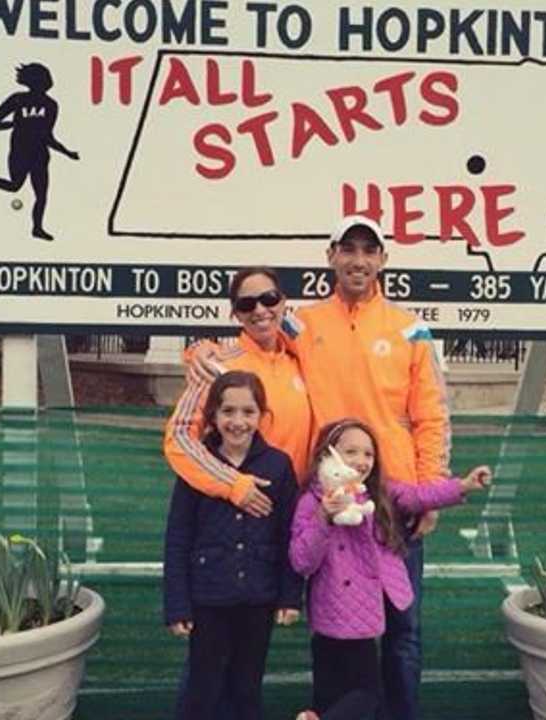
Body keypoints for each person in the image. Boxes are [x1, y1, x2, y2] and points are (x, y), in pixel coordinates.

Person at [190, 215, 451, 720]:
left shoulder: (410, 328)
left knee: (403, 632)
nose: (358, 260)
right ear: (330, 255)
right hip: (328, 504)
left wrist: (431, 488)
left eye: (368, 250)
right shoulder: (301, 323)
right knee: (331, 629)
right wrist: (199, 350)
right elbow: (249, 338)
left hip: (393, 503)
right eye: (347, 249)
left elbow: (431, 416)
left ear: (383, 259)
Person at [289, 419, 491, 720]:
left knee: (349, 700)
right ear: (326, 456)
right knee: (362, 697)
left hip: (364, 616)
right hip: (331, 614)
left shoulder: (378, 494)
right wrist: (324, 518)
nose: (360, 461)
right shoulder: (312, 502)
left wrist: (462, 486)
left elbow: (419, 497)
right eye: (350, 452)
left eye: (368, 454)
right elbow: (302, 559)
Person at [163, 370, 303, 720]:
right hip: (208, 597)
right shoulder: (199, 464)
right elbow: (178, 537)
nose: (237, 422)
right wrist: (177, 603)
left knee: (246, 687)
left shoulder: (278, 465)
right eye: (228, 411)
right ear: (213, 415)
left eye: (248, 412)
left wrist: (289, 595)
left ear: (262, 415)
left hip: (258, 596)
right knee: (204, 688)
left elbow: (289, 533)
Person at [164, 266, 312, 518]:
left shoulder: (300, 360)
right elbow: (179, 436)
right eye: (247, 304)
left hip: (295, 508)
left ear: (283, 303)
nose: (260, 310)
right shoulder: (218, 365)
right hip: (241, 510)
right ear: (236, 314)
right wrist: (233, 484)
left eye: (269, 299)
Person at [0, 63, 79, 241]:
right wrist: (16, 124)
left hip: (40, 154)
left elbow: (47, 136)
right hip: (20, 151)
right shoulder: (17, 99)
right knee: (15, 186)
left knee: (41, 194)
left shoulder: (51, 104)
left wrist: (67, 152)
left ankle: (37, 228)